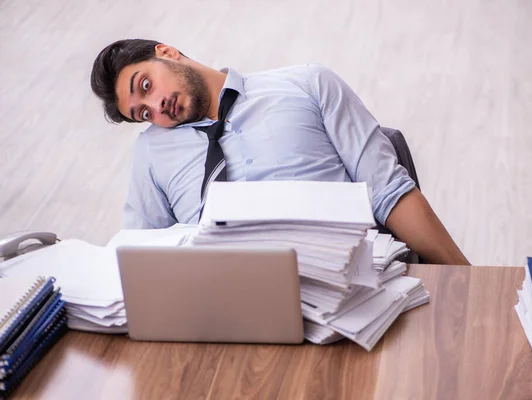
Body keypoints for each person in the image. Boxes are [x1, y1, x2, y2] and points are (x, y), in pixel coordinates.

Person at [90, 39, 470, 265]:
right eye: (143, 113)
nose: (157, 108)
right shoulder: (152, 153)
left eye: (146, 86)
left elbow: (391, 195)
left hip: (343, 281)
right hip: (229, 309)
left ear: (167, 53)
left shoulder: (308, 83)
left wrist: (470, 282)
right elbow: (142, 257)